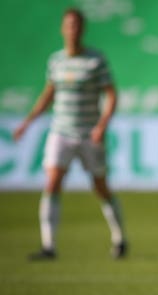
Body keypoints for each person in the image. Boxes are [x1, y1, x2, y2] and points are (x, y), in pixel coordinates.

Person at [13, 8, 127, 260]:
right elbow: (48, 94)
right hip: (61, 131)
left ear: (82, 29)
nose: (72, 29)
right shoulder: (56, 60)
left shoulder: (95, 60)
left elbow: (111, 94)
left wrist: (102, 126)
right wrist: (27, 123)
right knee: (52, 182)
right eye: (69, 24)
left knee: (100, 186)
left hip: (89, 133)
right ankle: (49, 246)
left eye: (76, 24)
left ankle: (119, 239)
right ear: (63, 29)